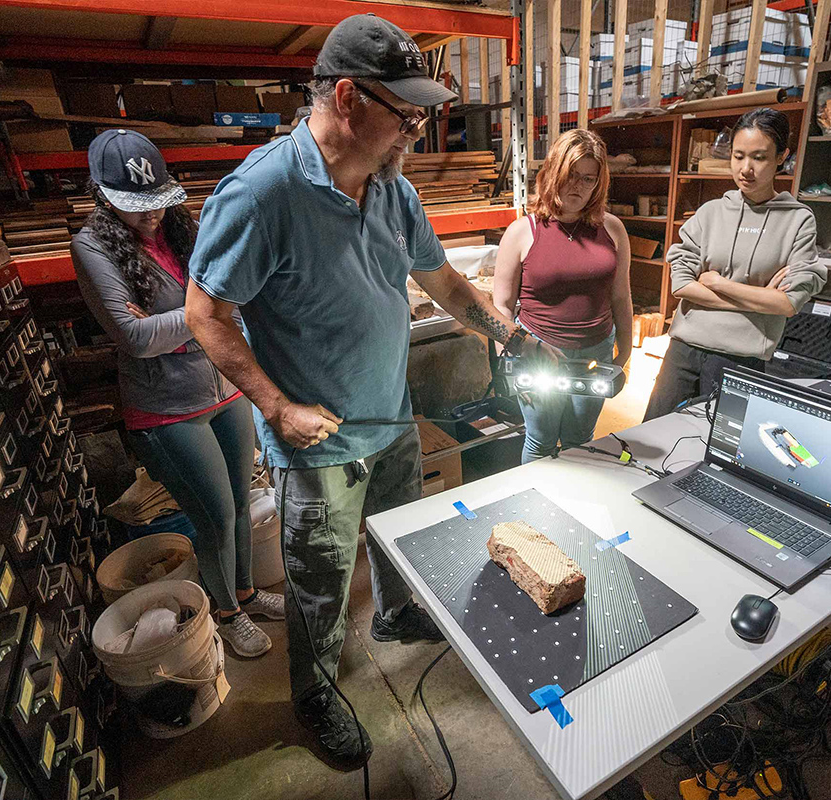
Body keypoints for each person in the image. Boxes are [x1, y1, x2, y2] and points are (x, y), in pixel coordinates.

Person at [184, 14, 559, 771]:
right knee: (320, 587)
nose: (415, 132)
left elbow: (446, 284)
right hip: (318, 445)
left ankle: (393, 616)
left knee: (397, 538)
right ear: (348, 98)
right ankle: (315, 693)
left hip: (390, 416)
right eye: (407, 115)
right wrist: (276, 406)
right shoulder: (262, 194)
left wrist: (511, 337)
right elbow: (205, 314)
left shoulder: (394, 193)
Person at [71, 130, 284, 660]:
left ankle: (246, 593)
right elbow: (136, 338)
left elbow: (213, 300)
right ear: (103, 198)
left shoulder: (182, 231)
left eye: (158, 204)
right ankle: (227, 615)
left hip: (223, 389)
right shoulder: (92, 247)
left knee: (238, 503)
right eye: (137, 208)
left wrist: (195, 319)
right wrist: (210, 315)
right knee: (213, 517)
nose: (151, 217)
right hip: (166, 410)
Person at [643, 108, 827, 420]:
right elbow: (682, 285)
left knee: (714, 450)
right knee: (649, 440)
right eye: (738, 156)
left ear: (782, 156)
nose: (746, 169)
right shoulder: (710, 213)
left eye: (759, 157)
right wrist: (758, 300)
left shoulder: (798, 220)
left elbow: (787, 304)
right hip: (684, 351)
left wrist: (718, 283)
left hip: (741, 359)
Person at [493, 128, 633, 462]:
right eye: (571, 175)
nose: (578, 187)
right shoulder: (522, 232)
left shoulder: (612, 229)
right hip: (538, 351)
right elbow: (502, 304)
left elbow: (621, 296)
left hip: (595, 351)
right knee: (540, 438)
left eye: (588, 179)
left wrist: (625, 351)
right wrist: (508, 355)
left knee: (580, 437)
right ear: (553, 172)